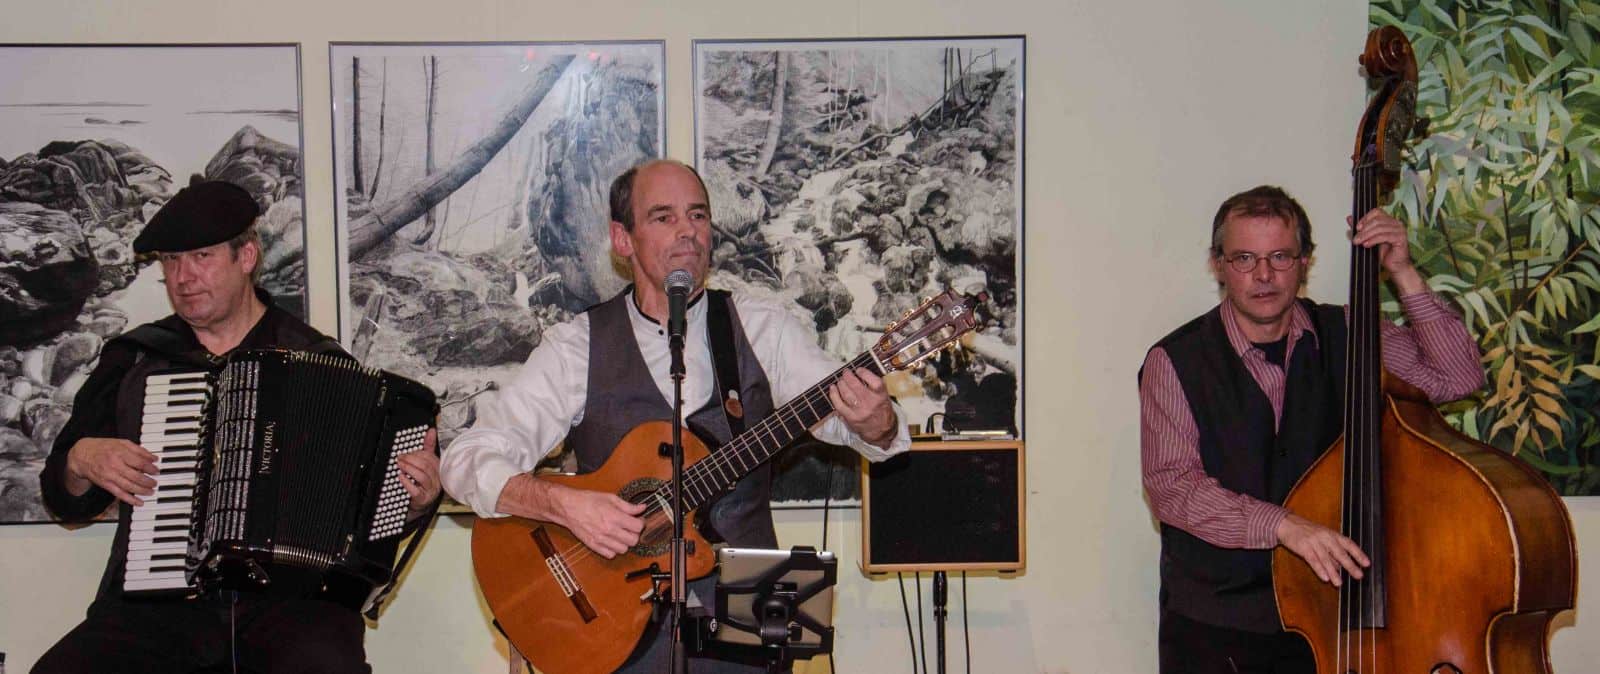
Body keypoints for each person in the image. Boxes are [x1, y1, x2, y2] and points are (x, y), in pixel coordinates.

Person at [441, 159, 911, 672]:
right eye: (663, 217)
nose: (687, 230)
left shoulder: (763, 328)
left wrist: (877, 423)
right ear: (623, 239)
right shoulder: (576, 346)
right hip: (614, 628)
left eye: (698, 215)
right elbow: (466, 459)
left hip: (749, 618)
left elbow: (855, 422)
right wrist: (563, 505)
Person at [34, 180, 442, 674]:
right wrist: (81, 460)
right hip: (160, 605)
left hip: (291, 604)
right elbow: (64, 499)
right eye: (170, 261)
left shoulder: (318, 359)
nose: (183, 277)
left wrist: (413, 502)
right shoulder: (137, 359)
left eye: (201, 257)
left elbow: (363, 519)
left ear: (246, 257)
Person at [1138, 185, 1484, 674]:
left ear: (1305, 262)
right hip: (1215, 628)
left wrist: (1403, 271)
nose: (1264, 275)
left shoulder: (1352, 332)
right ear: (1218, 265)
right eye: (1244, 258)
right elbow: (1173, 488)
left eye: (1280, 256)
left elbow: (1458, 378)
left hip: (1333, 618)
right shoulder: (1174, 359)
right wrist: (1284, 526)